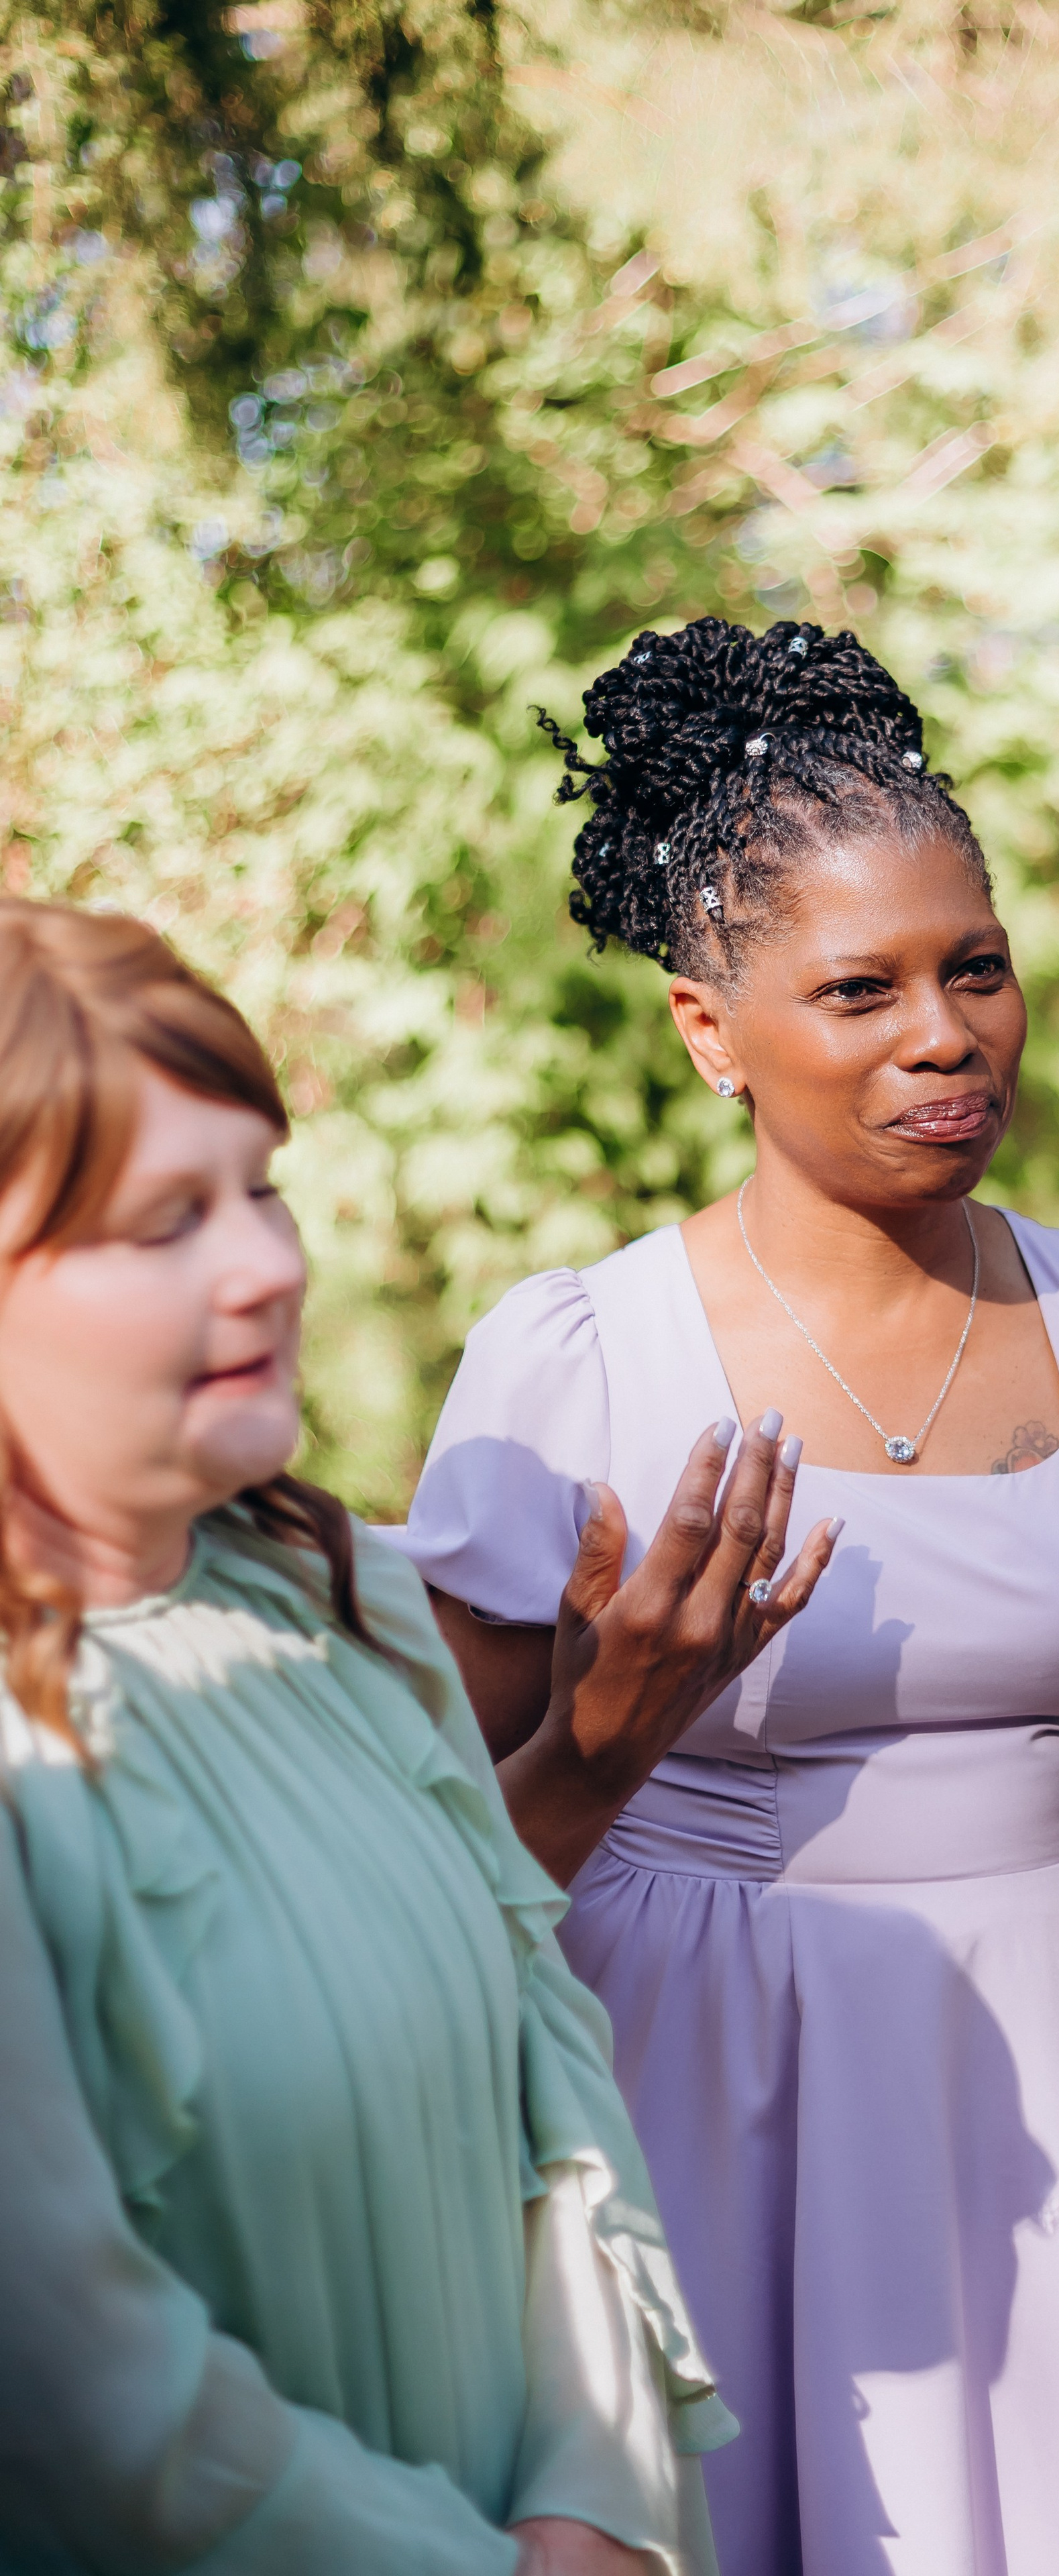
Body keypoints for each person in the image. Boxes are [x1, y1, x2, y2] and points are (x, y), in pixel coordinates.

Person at [393, 621, 1059, 2576]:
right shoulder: (581, 1367)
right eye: (860, 987)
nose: (944, 1032)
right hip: (706, 2087)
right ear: (708, 1028)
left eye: (975, 967)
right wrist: (611, 1725)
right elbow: (416, 1871)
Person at [0, 898, 805, 2575]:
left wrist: (593, 2501)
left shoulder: (350, 1608)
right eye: (166, 1222)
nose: (270, 1264)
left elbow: (556, 2104)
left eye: (262, 1188)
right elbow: (74, 2388)